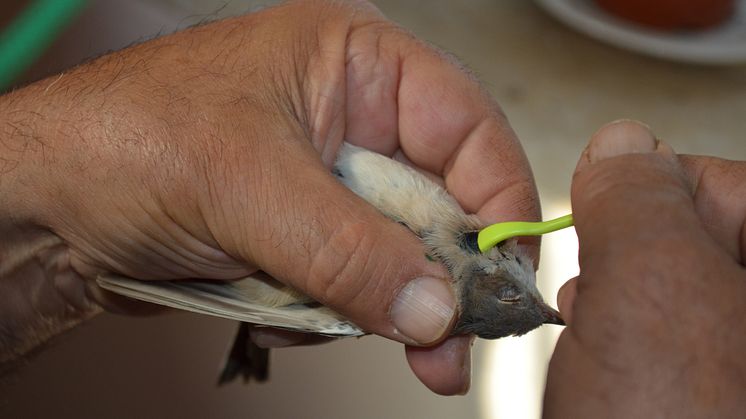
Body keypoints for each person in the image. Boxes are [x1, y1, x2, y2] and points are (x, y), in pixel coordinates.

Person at [0, 0, 743, 414]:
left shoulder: (429, 245)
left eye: (517, 294)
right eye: (520, 288)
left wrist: (69, 256)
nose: (528, 288)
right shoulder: (449, 221)